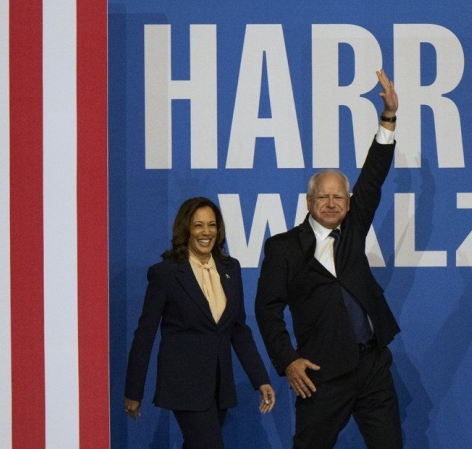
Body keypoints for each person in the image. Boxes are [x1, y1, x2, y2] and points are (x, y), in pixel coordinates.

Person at [255, 69, 402, 449]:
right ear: (309, 202)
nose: (332, 203)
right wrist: (287, 360)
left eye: (339, 197)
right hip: (320, 374)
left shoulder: (352, 230)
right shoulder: (283, 248)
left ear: (348, 202)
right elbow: (267, 310)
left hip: (371, 367)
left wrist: (387, 118)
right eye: (324, 197)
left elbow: (372, 177)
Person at [124, 197, 276, 449]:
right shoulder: (166, 273)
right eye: (198, 226)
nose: (206, 232)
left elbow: (239, 330)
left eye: (212, 225)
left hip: (220, 387)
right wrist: (133, 391)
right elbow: (145, 335)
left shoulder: (230, 268)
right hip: (184, 387)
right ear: (185, 229)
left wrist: (260, 379)